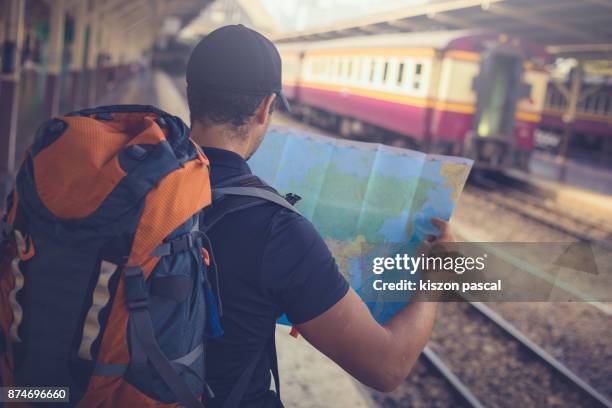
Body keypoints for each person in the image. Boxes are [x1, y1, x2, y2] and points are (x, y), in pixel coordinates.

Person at [186, 24, 454, 407]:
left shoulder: (137, 180)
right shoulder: (277, 229)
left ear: (189, 95)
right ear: (265, 108)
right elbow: (387, 367)